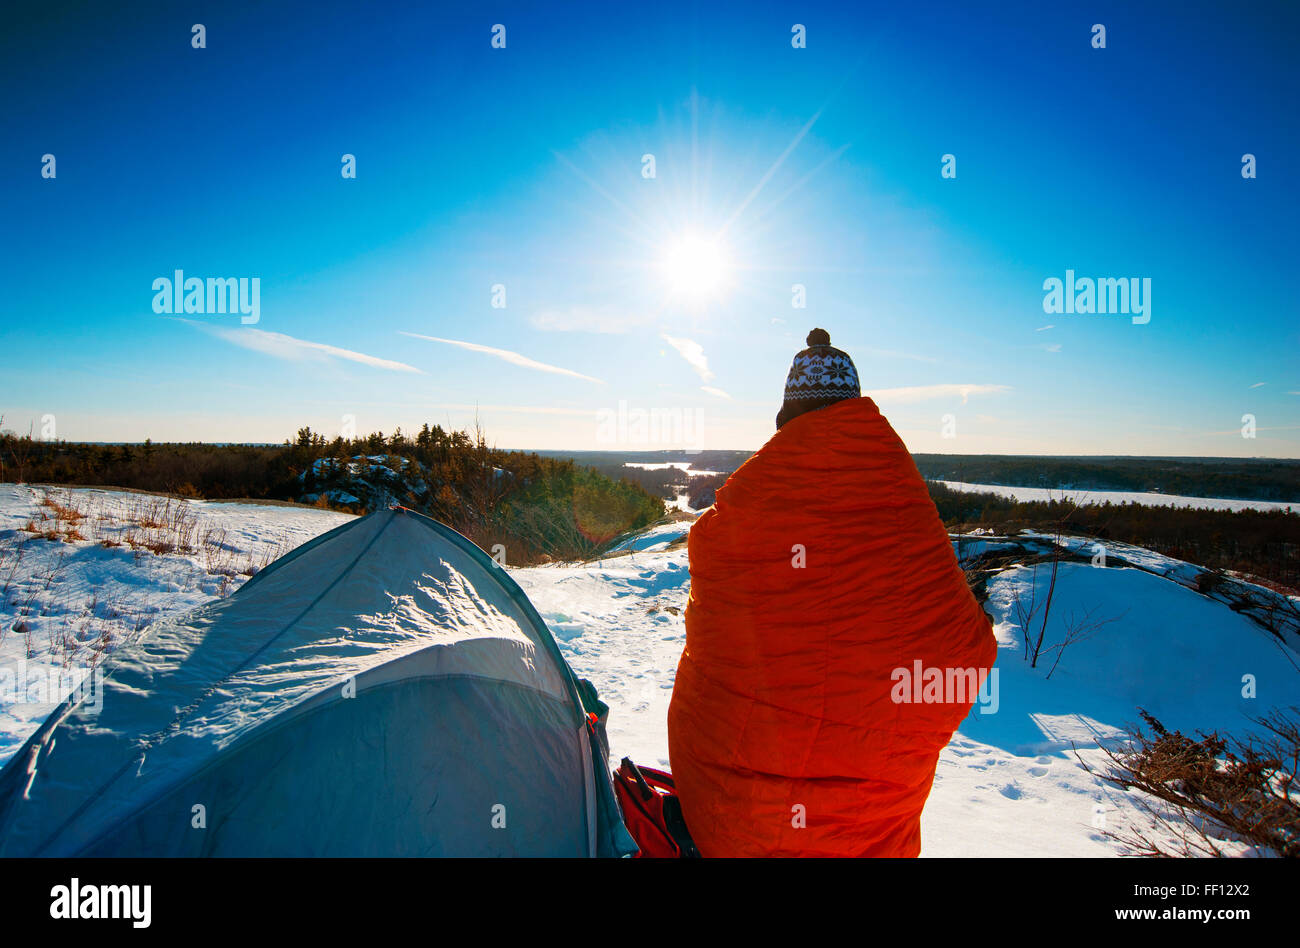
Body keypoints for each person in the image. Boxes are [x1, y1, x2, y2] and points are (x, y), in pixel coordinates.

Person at [667, 328, 998, 857]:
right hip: (870, 831)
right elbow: (967, 653)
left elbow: (724, 616)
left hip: (730, 824)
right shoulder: (903, 509)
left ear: (785, 421)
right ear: (857, 407)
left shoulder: (744, 517)